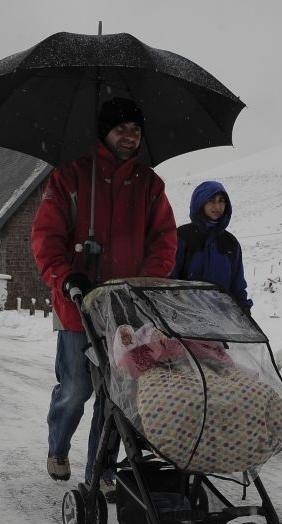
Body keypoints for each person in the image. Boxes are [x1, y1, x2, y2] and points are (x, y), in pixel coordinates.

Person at [31, 97, 178, 496]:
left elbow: (164, 240)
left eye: (135, 130)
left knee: (117, 394)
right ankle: (58, 445)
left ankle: (102, 469)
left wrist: (144, 282)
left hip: (125, 309)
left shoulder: (149, 185)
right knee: (76, 388)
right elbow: (46, 238)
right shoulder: (70, 178)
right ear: (104, 132)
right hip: (77, 304)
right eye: (121, 129)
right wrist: (66, 276)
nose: (129, 137)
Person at [170, 180, 253, 310]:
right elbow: (170, 280)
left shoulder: (231, 243)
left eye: (221, 201)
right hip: (185, 317)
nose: (218, 206)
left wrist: (244, 312)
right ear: (200, 203)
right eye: (211, 201)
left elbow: (238, 286)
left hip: (220, 319)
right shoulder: (183, 236)